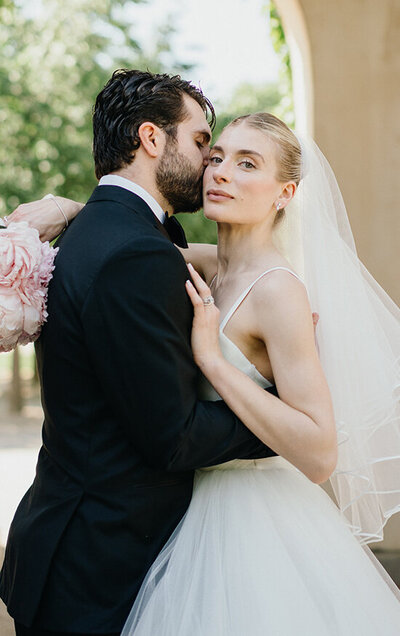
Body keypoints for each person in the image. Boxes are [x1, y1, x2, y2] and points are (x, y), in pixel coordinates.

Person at [0, 72, 327, 636]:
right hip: (105, 565)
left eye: (242, 162)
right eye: (206, 144)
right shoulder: (139, 251)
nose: (213, 168)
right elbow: (172, 435)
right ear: (153, 140)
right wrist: (272, 405)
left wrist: (74, 208)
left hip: (106, 543)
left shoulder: (134, 237)